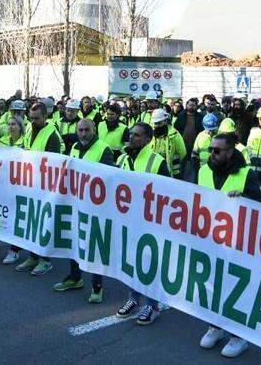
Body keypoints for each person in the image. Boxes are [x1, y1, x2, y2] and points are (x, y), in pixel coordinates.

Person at [198, 133, 261, 358]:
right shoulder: (203, 171)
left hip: (238, 241)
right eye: (211, 150)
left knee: (237, 287)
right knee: (212, 285)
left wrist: (245, 197)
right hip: (210, 238)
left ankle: (238, 335)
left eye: (217, 150)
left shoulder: (247, 174)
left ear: (230, 151)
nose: (212, 154)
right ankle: (215, 326)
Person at [54, 118, 118, 303]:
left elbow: (106, 178)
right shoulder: (74, 146)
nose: (82, 134)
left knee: (94, 246)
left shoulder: (103, 149)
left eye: (86, 130)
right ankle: (75, 278)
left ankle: (97, 286)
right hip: (75, 202)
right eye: (80, 130)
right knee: (74, 240)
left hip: (96, 206)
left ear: (94, 129)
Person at [114, 122, 171, 326]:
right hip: (127, 220)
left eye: (137, 135)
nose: (132, 137)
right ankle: (133, 299)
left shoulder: (157, 161)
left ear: (148, 139)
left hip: (149, 222)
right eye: (131, 134)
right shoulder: (121, 158)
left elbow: (169, 194)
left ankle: (152, 305)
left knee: (148, 264)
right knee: (130, 261)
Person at [10, 103, 62, 275]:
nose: (33, 121)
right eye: (31, 118)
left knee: (43, 223)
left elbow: (53, 165)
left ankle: (45, 260)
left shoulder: (52, 135)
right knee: (30, 223)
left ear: (46, 117)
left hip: (44, 187)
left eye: (37, 118)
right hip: (29, 183)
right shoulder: (31, 130)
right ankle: (33, 255)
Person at [149, 108, 187, 178]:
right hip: (154, 171)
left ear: (165, 121)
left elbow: (182, 154)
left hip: (169, 173)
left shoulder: (175, 135)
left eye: (159, 123)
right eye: (155, 123)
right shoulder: (151, 135)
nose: (156, 125)